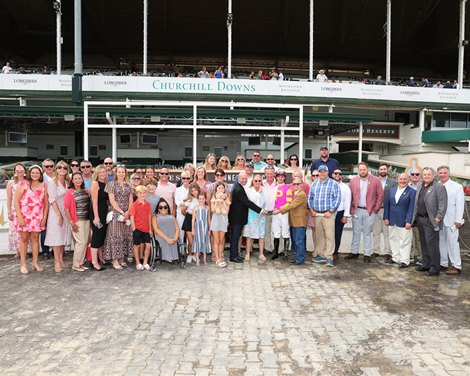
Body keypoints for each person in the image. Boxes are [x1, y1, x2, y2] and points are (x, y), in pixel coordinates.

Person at [346, 162, 384, 262]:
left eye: (364, 169)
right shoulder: (353, 181)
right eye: (360, 170)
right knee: (356, 232)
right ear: (358, 171)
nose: (362, 171)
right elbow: (349, 195)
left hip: (369, 211)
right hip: (357, 210)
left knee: (367, 233)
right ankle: (354, 252)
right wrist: (350, 209)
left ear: (367, 169)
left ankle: (367, 254)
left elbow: (380, 195)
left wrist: (376, 208)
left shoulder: (375, 180)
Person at [14, 165, 49, 274]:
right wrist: (19, 217)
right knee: (24, 239)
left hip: (37, 217)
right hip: (24, 217)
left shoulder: (44, 186)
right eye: (33, 172)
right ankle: (23, 264)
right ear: (29, 173)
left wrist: (44, 218)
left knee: (35, 239)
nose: (35, 174)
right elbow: (16, 201)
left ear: (40, 175)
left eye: (37, 173)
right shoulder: (24, 184)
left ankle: (35, 262)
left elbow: (46, 204)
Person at [413, 167, 447, 276]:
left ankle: (435, 267)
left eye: (428, 174)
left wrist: (438, 218)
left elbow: (443, 205)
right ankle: (426, 264)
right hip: (420, 219)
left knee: (432, 245)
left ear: (433, 175)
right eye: (424, 174)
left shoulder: (439, 187)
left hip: (431, 220)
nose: (426, 176)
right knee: (424, 243)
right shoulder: (421, 186)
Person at [308, 165, 341, 267]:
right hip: (317, 214)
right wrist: (312, 210)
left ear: (327, 172)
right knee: (319, 236)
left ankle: (329, 257)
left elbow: (338, 199)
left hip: (328, 214)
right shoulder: (314, 184)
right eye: (320, 171)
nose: (322, 173)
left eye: (324, 171)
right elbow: (310, 198)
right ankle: (321, 255)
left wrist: (331, 211)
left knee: (329, 236)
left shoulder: (333, 184)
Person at [103, 165, 133, 269]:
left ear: (125, 173)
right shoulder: (111, 184)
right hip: (115, 214)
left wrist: (128, 211)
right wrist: (121, 211)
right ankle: (114, 260)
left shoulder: (128, 185)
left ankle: (121, 258)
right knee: (115, 236)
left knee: (125, 236)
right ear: (116, 173)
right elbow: (112, 200)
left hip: (126, 214)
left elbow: (130, 200)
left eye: (123, 172)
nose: (121, 174)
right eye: (119, 172)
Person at [228, 171, 262, 263]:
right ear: (238, 179)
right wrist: (260, 210)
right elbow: (247, 202)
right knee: (235, 238)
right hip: (236, 218)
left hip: (238, 218)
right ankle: (233, 257)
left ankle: (235, 255)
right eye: (242, 178)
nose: (244, 180)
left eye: (245, 179)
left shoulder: (240, 187)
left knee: (236, 237)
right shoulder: (238, 189)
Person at [383, 173, 416, 268]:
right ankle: (395, 258)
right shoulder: (391, 191)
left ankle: (404, 260)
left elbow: (412, 208)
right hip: (392, 219)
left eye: (405, 179)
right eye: (401, 179)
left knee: (405, 241)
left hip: (404, 221)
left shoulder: (412, 192)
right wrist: (386, 217)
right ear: (397, 179)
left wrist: (409, 221)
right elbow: (387, 205)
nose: (402, 181)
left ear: (408, 180)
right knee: (393, 239)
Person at [45, 160, 72, 273]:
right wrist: (58, 215)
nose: (62, 169)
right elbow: (51, 199)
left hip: (65, 211)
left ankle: (61, 260)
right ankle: (56, 262)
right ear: (56, 169)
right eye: (60, 167)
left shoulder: (67, 181)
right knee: (56, 238)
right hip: (56, 212)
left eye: (64, 168)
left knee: (62, 236)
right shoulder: (52, 183)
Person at [437, 166, 464, 275]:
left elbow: (460, 204)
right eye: (440, 173)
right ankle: (443, 263)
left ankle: (456, 266)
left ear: (449, 173)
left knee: (453, 243)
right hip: (439, 220)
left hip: (452, 220)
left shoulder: (457, 187)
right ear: (438, 174)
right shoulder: (436, 185)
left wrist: (458, 220)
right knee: (441, 242)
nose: (442, 174)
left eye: (444, 172)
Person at [275, 178, 308, 265]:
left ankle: (300, 260)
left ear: (302, 184)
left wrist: (279, 210)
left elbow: (292, 206)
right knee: (296, 241)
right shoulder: (294, 193)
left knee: (299, 241)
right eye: (294, 184)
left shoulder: (301, 194)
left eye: (298, 184)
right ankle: (298, 258)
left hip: (299, 221)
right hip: (294, 221)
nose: (296, 186)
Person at [64, 172, 91, 272]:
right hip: (77, 221)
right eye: (76, 178)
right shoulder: (70, 192)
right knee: (81, 242)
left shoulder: (85, 191)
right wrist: (71, 222)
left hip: (86, 220)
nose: (78, 180)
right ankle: (75, 264)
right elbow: (66, 209)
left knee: (85, 242)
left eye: (80, 178)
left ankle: (80, 263)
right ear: (72, 180)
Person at [372, 163, 397, 261]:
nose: (382, 171)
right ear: (379, 170)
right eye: (381, 169)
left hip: (387, 210)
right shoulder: (374, 181)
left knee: (387, 233)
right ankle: (375, 251)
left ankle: (388, 252)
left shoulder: (393, 183)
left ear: (387, 170)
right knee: (376, 232)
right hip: (376, 210)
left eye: (384, 169)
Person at [89, 164, 108, 270]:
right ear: (97, 173)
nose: (102, 174)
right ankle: (94, 262)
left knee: (102, 236)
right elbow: (94, 202)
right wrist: (96, 217)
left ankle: (101, 258)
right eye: (100, 172)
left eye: (104, 172)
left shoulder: (105, 184)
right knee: (97, 236)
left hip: (104, 212)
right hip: (97, 213)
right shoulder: (95, 184)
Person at [244, 175, 266, 261]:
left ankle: (261, 254)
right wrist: (258, 193)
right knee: (249, 235)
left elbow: (266, 202)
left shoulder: (264, 191)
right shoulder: (249, 191)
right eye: (256, 181)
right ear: (253, 181)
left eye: (259, 181)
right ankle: (248, 253)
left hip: (262, 215)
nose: (257, 182)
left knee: (261, 235)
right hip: (252, 215)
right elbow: (249, 203)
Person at [6, 162, 27, 258]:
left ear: (25, 171)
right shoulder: (11, 183)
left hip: (26, 210)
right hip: (15, 211)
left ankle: (25, 251)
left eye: (21, 170)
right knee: (15, 231)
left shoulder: (28, 182)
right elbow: (9, 199)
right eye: (17, 170)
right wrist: (9, 212)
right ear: (14, 172)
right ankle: (18, 251)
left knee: (25, 231)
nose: (19, 172)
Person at [130, 185, 152, 270]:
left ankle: (145, 262)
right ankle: (138, 262)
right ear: (137, 194)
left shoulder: (148, 204)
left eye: (144, 193)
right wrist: (134, 228)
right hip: (137, 229)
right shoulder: (134, 205)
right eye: (140, 193)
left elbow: (149, 217)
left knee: (148, 245)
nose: (142, 195)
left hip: (146, 229)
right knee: (137, 246)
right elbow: (132, 217)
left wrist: (150, 229)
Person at [271, 170, 292, 260]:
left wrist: (279, 210)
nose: (280, 178)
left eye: (282, 176)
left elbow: (289, 202)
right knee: (276, 232)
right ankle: (276, 253)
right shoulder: (273, 187)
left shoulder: (287, 188)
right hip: (274, 212)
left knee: (285, 232)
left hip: (284, 213)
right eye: (278, 176)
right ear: (276, 177)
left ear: (284, 177)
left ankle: (286, 253)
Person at [153, 198, 180, 263]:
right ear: (158, 209)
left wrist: (176, 238)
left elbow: (177, 229)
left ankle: (172, 256)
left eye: (165, 207)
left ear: (168, 208)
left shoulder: (172, 217)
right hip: (161, 235)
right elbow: (156, 230)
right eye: (161, 207)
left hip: (172, 235)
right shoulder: (155, 217)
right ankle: (168, 256)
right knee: (166, 240)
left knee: (172, 238)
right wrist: (166, 238)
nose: (163, 209)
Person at [210, 182, 231, 267]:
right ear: (216, 189)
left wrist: (223, 203)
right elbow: (213, 210)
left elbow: (227, 210)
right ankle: (217, 257)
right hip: (215, 220)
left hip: (223, 220)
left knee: (221, 240)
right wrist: (217, 203)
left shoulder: (227, 199)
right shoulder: (213, 199)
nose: (221, 189)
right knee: (216, 240)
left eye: (222, 188)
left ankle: (221, 255)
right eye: (219, 188)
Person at [332, 168, 351, 259]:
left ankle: (335, 252)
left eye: (339, 174)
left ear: (342, 176)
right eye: (336, 173)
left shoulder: (346, 187)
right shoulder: (329, 185)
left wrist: (345, 216)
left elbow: (348, 202)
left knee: (337, 233)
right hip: (329, 213)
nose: (337, 175)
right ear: (332, 175)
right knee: (328, 233)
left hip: (340, 213)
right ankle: (328, 251)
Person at [181, 182, 200, 263]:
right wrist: (189, 216)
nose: (194, 192)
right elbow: (183, 211)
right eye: (192, 191)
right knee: (191, 240)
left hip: (198, 220)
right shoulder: (189, 200)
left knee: (196, 240)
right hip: (189, 219)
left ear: (198, 190)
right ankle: (189, 254)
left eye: (195, 190)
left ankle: (194, 254)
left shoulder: (201, 199)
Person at [408, 167, 423, 265]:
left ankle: (420, 257)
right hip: (408, 216)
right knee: (409, 238)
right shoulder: (407, 186)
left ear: (420, 176)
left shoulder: (423, 186)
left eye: (417, 174)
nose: (414, 176)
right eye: (412, 174)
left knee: (419, 238)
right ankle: (410, 255)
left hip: (419, 217)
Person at [40, 158, 55, 259]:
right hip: (44, 207)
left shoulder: (58, 177)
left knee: (56, 229)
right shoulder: (40, 178)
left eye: (51, 166)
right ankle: (45, 251)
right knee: (44, 230)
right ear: (43, 167)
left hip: (57, 207)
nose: (49, 168)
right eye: (46, 166)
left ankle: (55, 250)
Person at [192, 193, 211, 266]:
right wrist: (193, 229)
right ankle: (197, 260)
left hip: (205, 227)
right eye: (200, 198)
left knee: (205, 241)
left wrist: (209, 229)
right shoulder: (195, 208)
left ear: (205, 199)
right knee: (197, 242)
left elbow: (208, 218)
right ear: (198, 199)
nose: (201, 200)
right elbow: (193, 219)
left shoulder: (207, 208)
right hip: (198, 227)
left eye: (203, 198)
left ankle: (205, 259)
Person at [262, 166, 277, 254]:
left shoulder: (278, 183)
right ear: (265, 174)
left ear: (274, 174)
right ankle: (268, 248)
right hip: (266, 212)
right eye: (267, 173)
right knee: (266, 232)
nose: (269, 175)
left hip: (276, 212)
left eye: (271, 173)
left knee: (277, 232)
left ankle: (279, 249)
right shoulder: (261, 184)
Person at [175, 172, 191, 243]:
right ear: (181, 179)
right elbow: (177, 202)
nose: (186, 180)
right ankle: (181, 251)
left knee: (189, 232)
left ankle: (189, 250)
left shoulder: (192, 189)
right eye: (184, 178)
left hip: (190, 213)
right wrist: (185, 203)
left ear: (191, 179)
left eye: (188, 178)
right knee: (181, 232)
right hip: (180, 213)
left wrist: (184, 203)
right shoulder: (177, 190)